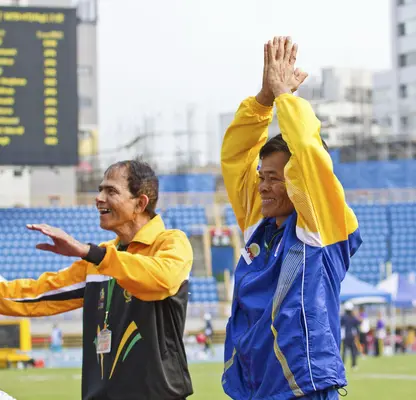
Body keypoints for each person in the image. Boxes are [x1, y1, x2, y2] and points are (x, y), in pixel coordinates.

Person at [220, 36, 362, 400]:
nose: (263, 188)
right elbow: (237, 158)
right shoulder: (260, 227)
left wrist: (286, 97)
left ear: (297, 183)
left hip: (301, 388)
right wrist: (263, 101)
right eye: (261, 177)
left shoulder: (322, 229)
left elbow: (310, 156)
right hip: (253, 388)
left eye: (275, 179)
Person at [0, 160, 194, 400]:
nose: (99, 198)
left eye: (111, 191)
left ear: (140, 203)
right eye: (100, 189)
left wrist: (91, 253)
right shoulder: (99, 259)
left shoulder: (171, 242)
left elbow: (161, 278)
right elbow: (37, 294)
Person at [340, 302, 360, 371]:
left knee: (344, 351)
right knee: (353, 351)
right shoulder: (353, 317)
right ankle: (354, 365)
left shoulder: (343, 317)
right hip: (352, 336)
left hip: (345, 336)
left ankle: (343, 365)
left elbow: (340, 326)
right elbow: (357, 326)